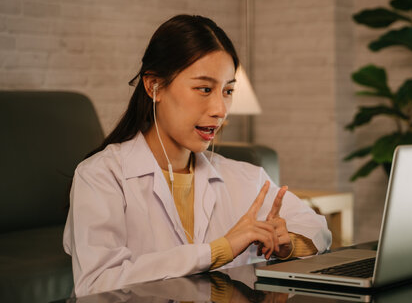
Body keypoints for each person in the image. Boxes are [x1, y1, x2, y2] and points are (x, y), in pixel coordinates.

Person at [63, 15, 332, 296]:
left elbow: (317, 228)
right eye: (204, 89)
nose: (220, 109)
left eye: (228, 90)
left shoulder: (244, 176)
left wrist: (287, 241)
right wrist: (219, 250)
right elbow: (97, 284)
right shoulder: (101, 175)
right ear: (154, 86)